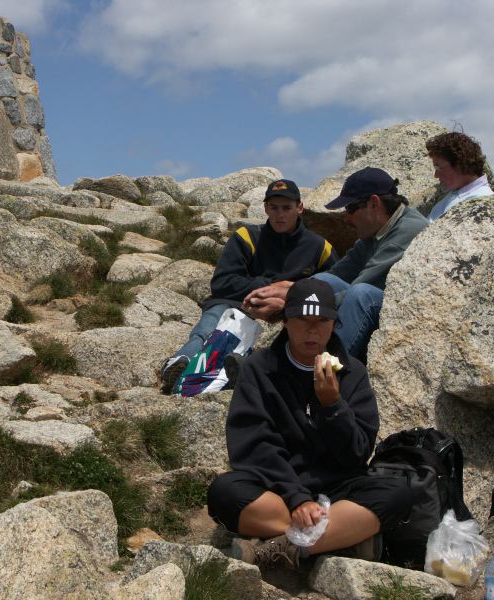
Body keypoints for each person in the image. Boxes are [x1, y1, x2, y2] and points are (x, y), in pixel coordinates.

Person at [207, 279, 411, 570]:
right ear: (286, 321)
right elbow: (253, 446)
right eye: (302, 320)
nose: (312, 331)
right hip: (277, 490)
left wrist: (332, 406)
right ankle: (343, 537)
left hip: (338, 488)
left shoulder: (353, 373)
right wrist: (297, 499)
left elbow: (357, 454)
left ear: (334, 324)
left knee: (398, 494)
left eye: (322, 321)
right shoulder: (260, 368)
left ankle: (282, 548)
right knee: (224, 493)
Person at [159, 179, 337, 393]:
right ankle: (181, 362)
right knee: (209, 327)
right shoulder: (247, 237)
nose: (280, 214)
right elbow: (222, 282)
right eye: (274, 207)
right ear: (265, 208)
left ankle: (241, 370)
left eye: (287, 208)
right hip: (236, 303)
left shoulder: (320, 247)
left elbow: (333, 285)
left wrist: (286, 296)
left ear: (299, 208)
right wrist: (267, 288)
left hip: (288, 307)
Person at [243, 168, 428, 362]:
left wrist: (290, 304)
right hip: (380, 305)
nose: (345, 218)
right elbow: (337, 275)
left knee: (360, 294)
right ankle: (276, 361)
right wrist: (292, 290)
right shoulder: (376, 230)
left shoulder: (407, 231)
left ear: (374, 203)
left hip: (407, 313)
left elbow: (360, 286)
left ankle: (321, 372)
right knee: (324, 280)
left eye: (350, 209)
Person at [426, 131, 494, 222]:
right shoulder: (455, 194)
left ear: (459, 165)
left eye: (439, 167)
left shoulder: (482, 201)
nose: (436, 175)